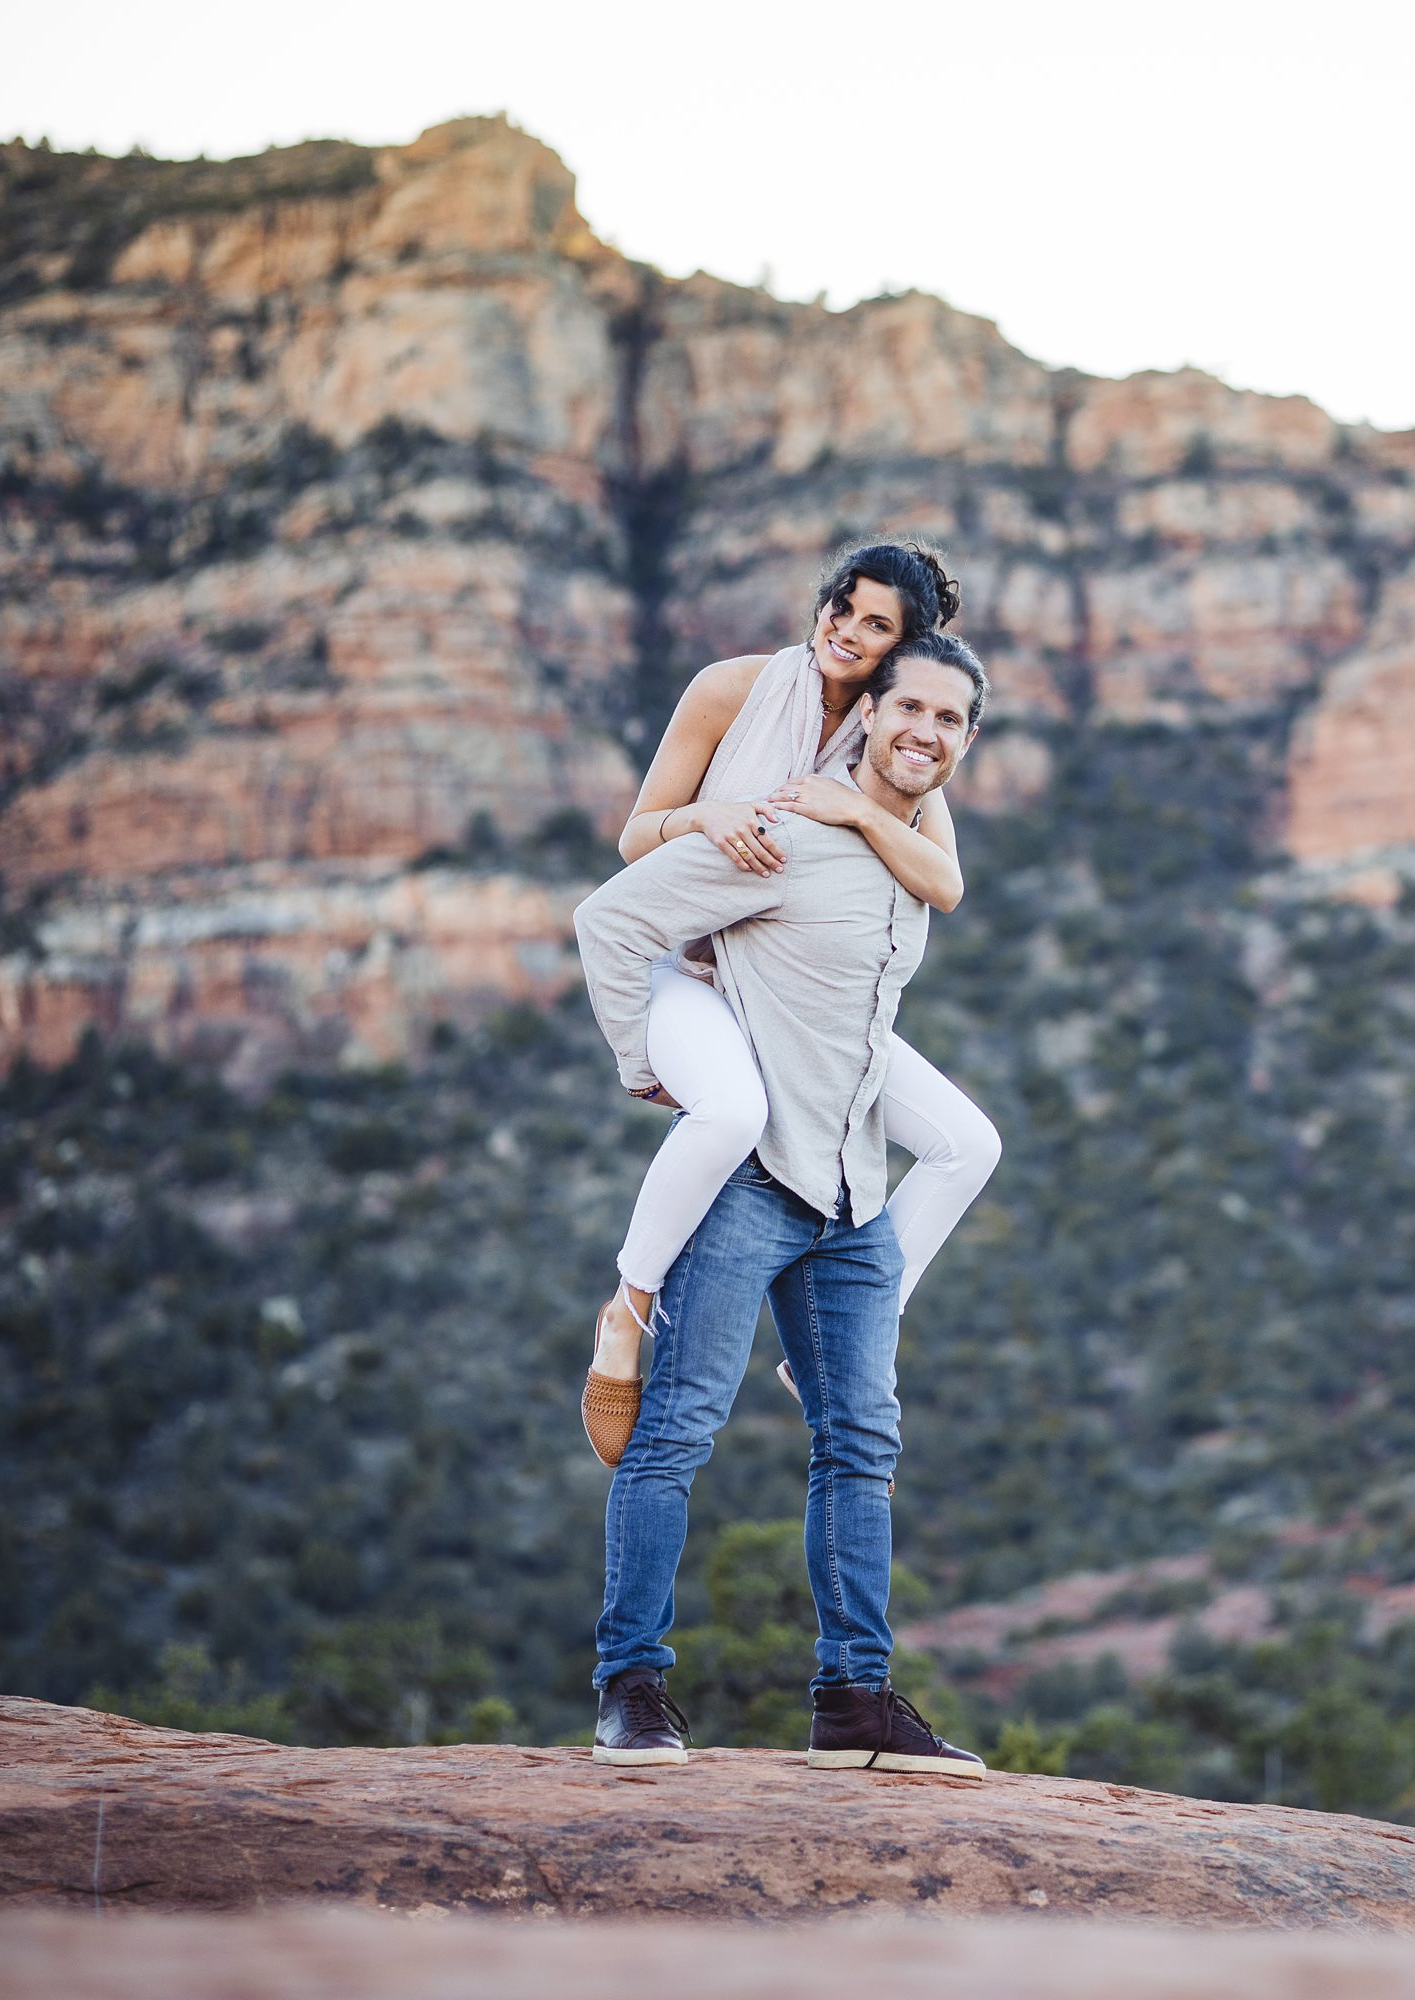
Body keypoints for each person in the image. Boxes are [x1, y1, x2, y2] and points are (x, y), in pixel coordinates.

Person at [568, 632, 991, 1777]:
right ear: (872, 714)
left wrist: (875, 821)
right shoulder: (781, 835)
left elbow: (940, 887)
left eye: (952, 719)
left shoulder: (910, 851)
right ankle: (632, 1686)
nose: (928, 731)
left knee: (861, 1444)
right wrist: (642, 1063)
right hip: (754, 1184)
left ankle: (854, 1698)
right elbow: (608, 920)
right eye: (911, 708)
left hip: (854, 1197)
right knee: (676, 1433)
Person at [580, 543, 1002, 1467]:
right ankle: (627, 1311)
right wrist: (705, 818)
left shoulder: (898, 739)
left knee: (969, 1144)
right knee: (733, 1112)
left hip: (795, 1000)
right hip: (692, 976)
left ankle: (851, 1333)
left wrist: (856, 812)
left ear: (906, 653)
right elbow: (632, 840)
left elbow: (946, 884)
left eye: (876, 625)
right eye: (840, 608)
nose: (845, 632)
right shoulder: (731, 690)